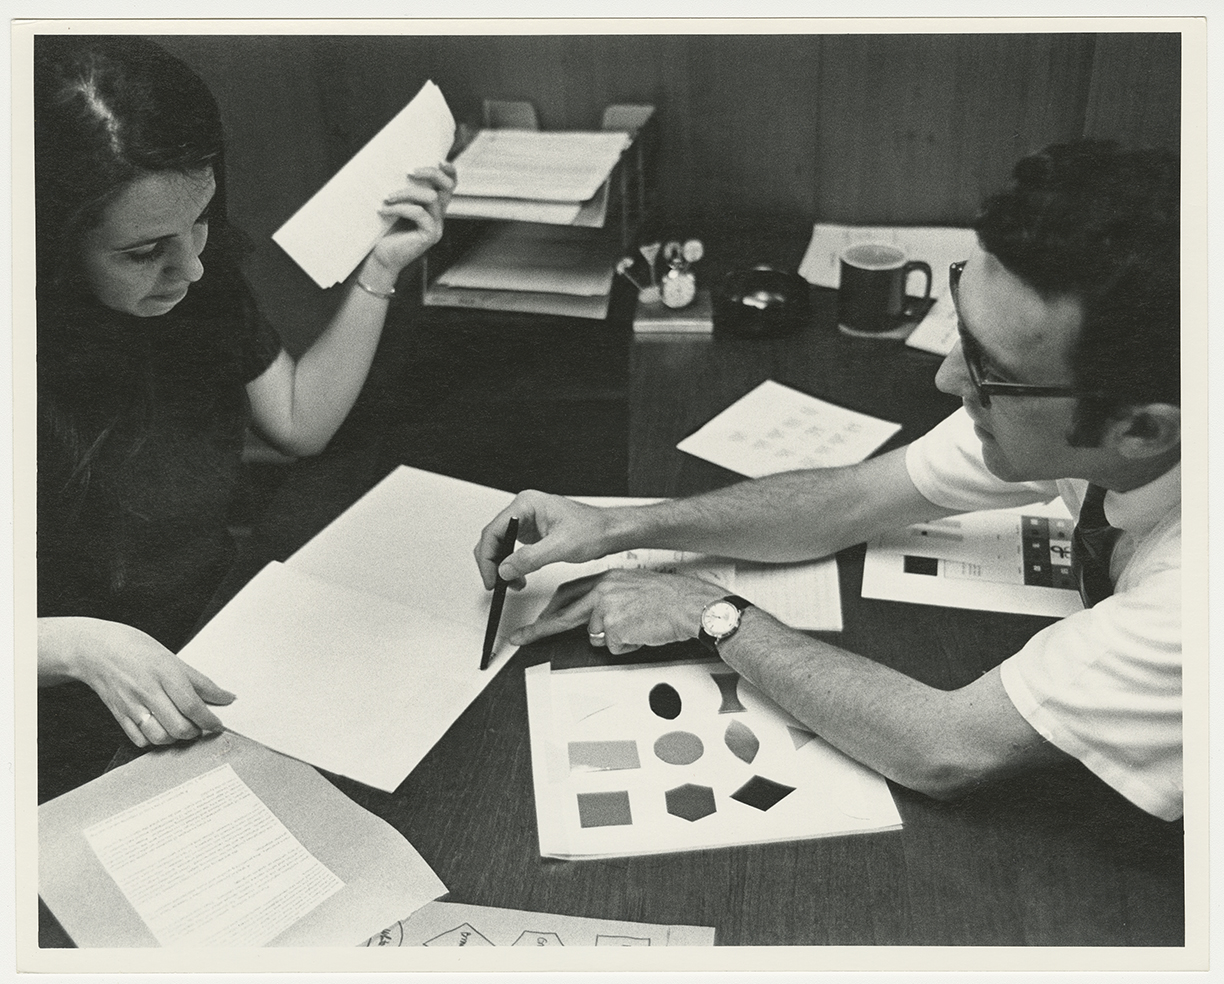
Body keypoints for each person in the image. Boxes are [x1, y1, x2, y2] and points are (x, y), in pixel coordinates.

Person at [475, 140, 1182, 822]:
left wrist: (708, 611)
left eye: (991, 372)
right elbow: (850, 501)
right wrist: (618, 525)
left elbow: (944, 747)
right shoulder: (1075, 412)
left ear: (1143, 430)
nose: (945, 379)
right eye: (961, 333)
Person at [35, 35, 456, 797]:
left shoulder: (197, 278)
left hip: (208, 649)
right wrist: (69, 645)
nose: (192, 267)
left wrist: (379, 272)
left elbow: (298, 420)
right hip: (51, 721)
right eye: (145, 252)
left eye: (200, 221)